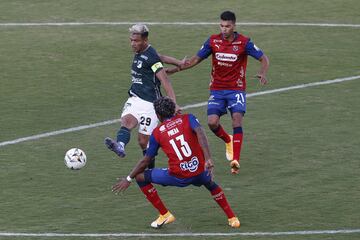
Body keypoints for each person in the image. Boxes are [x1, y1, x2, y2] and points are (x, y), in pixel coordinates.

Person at [112, 97, 240, 229]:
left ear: (158, 115)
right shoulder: (188, 118)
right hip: (200, 170)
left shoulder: (157, 133)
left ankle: (164, 214)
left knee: (140, 177)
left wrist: (128, 178)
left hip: (178, 176)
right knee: (211, 184)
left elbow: (146, 160)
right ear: (173, 109)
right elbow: (201, 134)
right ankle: (232, 218)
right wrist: (207, 158)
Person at [169, 11, 270, 174]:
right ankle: (228, 139)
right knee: (212, 123)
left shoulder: (244, 42)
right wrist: (175, 70)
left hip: (236, 89)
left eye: (227, 26)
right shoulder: (213, 41)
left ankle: (235, 160)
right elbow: (194, 60)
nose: (224, 29)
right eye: (222, 26)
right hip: (217, 89)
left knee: (237, 120)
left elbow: (264, 58)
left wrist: (263, 72)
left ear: (234, 26)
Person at [104, 24, 183, 168]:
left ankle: (150, 167)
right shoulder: (144, 52)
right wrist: (179, 63)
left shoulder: (151, 58)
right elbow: (162, 57)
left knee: (143, 141)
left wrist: (174, 103)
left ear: (145, 40)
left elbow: (164, 80)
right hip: (135, 98)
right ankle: (120, 145)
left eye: (136, 41)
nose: (133, 44)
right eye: (131, 40)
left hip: (151, 104)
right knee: (126, 122)